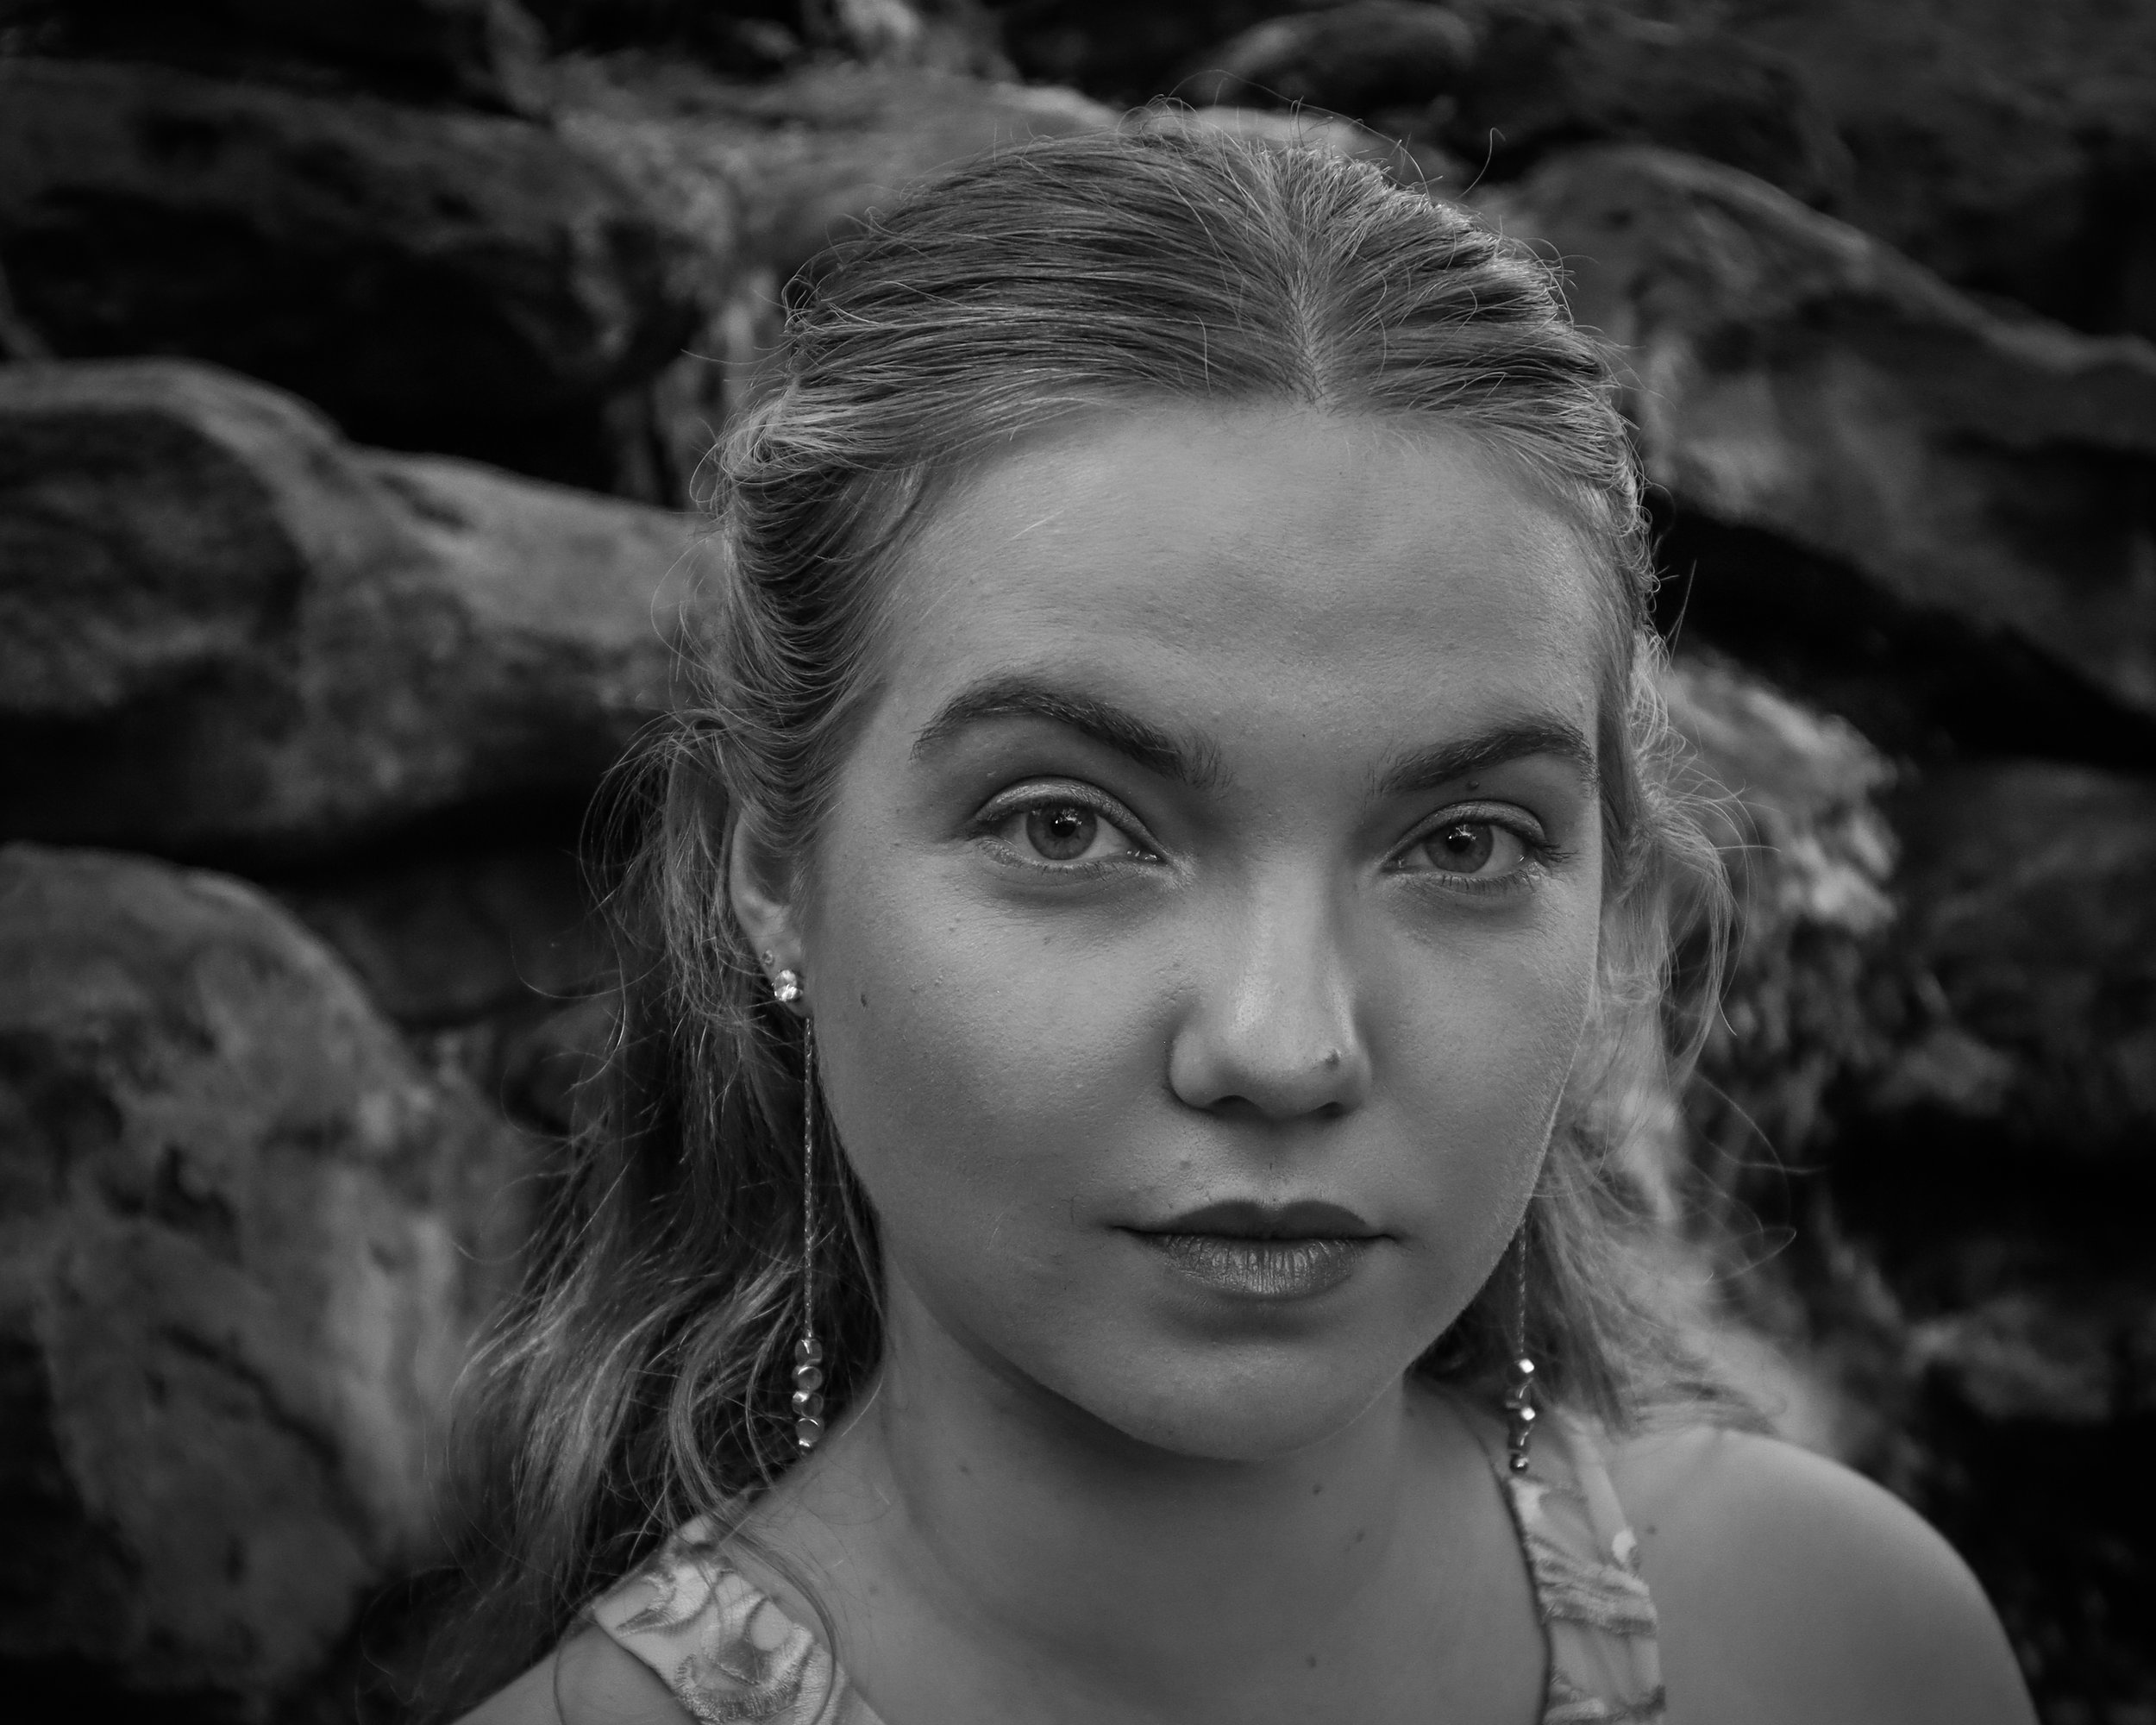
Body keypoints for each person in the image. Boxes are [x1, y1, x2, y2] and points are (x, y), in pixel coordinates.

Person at [441, 124, 2035, 1725]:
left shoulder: (1838, 1646)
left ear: (1622, 917)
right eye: (1066, 827)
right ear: (763, 870)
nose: (1285, 1047)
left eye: (1464, 843)